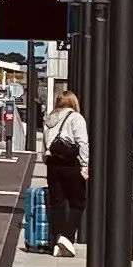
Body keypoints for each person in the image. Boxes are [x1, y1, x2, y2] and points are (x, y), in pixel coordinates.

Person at [42, 86, 88, 257]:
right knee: (78, 202)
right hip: (70, 163)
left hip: (52, 164)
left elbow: (45, 144)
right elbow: (82, 142)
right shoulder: (76, 118)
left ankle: (56, 241)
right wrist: (85, 164)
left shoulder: (50, 118)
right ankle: (66, 237)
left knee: (57, 204)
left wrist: (45, 158)